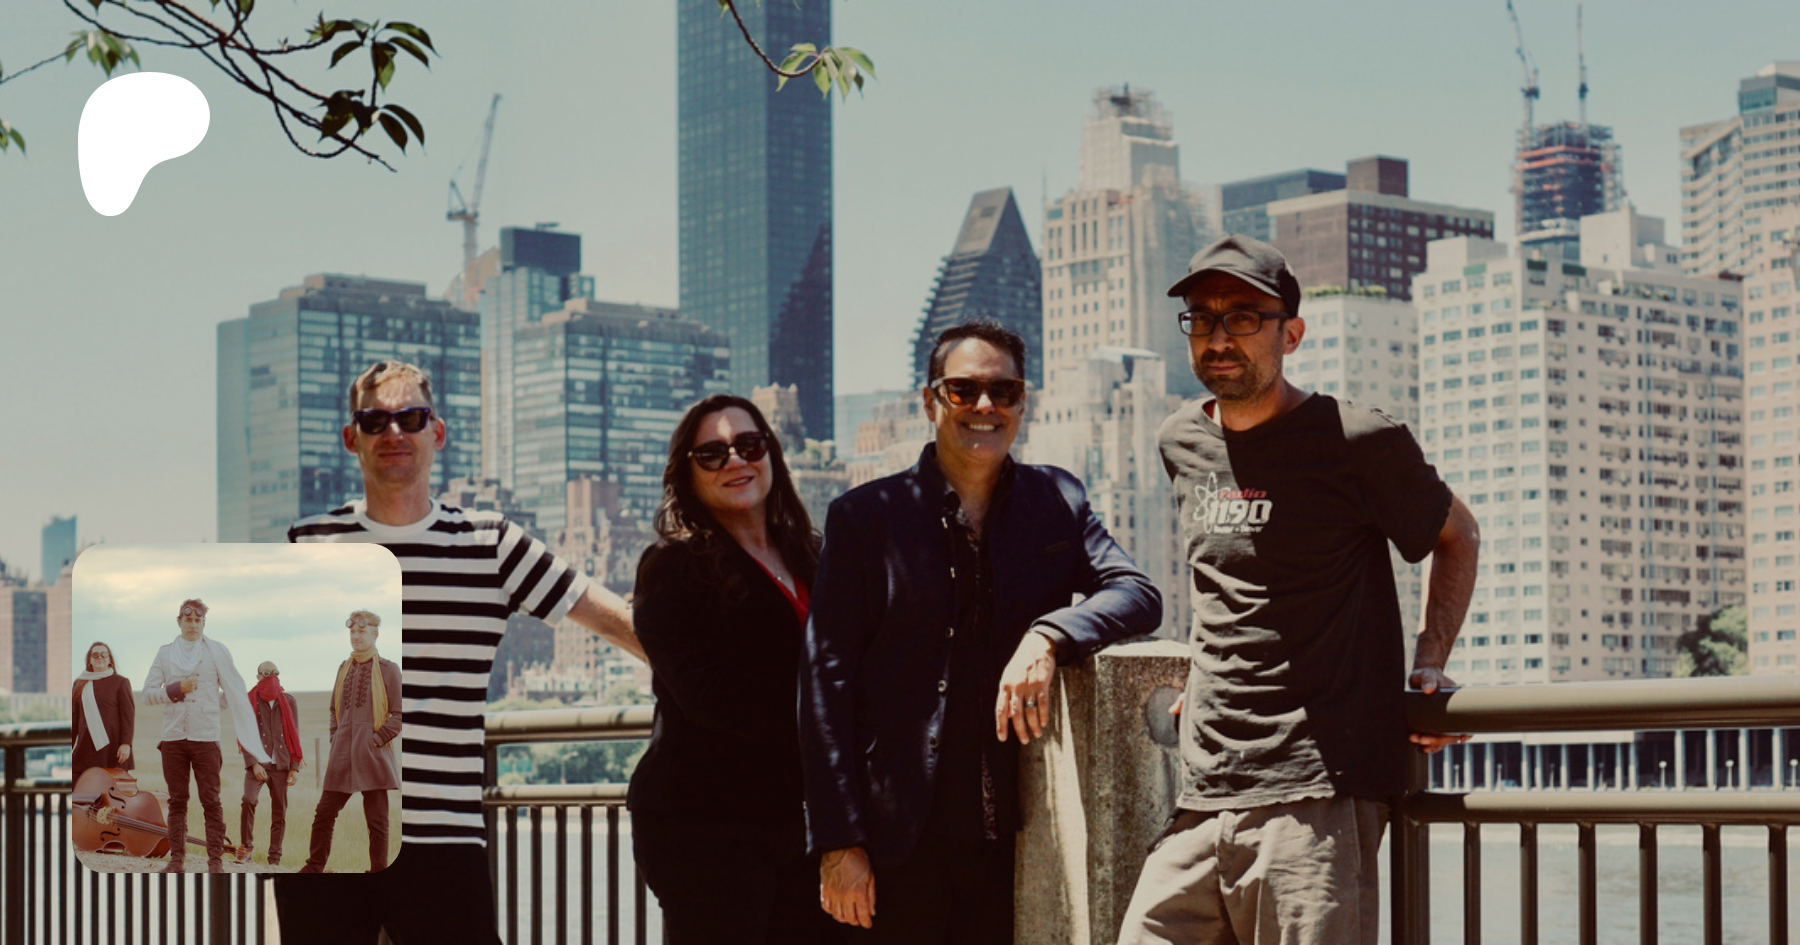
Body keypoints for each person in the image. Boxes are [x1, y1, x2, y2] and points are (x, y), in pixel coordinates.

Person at [1115, 234, 1480, 945]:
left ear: (1292, 334)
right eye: (1203, 318)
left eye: (1243, 317)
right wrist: (1206, 667)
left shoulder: (1357, 439)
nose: (1220, 337)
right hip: (1203, 791)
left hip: (1314, 795)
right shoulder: (1180, 440)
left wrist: (1430, 661)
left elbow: (1457, 533)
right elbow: (1224, 578)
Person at [802, 321, 1163, 943]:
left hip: (1016, 831)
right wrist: (839, 842)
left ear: (1024, 402)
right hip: (896, 838)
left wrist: (1049, 635)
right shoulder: (863, 519)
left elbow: (1137, 593)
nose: (985, 406)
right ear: (930, 401)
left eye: (1005, 391)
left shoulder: (1058, 499)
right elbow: (823, 687)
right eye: (963, 390)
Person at [275, 359, 644, 942]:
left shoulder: (491, 543)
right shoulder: (310, 543)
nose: (393, 432)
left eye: (411, 418)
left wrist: (724, 690)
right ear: (351, 438)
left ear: (437, 432)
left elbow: (616, 621)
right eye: (374, 421)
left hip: (445, 840)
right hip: (330, 840)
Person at [627, 394, 846, 945]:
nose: (735, 461)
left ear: (771, 454)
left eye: (749, 445)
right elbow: (707, 693)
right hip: (703, 822)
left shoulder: (814, 557)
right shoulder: (673, 567)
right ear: (687, 474)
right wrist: (830, 717)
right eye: (712, 454)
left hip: (797, 820)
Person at [141, 598, 274, 872]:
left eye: (197, 620)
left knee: (211, 802)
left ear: (203, 622)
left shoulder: (217, 652)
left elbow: (234, 691)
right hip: (173, 739)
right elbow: (147, 695)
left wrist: (212, 707)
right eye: (187, 619)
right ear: (179, 622)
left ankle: (215, 863)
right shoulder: (165, 654)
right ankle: (177, 861)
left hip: (206, 739)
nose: (193, 624)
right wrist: (176, 689)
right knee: (177, 802)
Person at [299, 610, 401, 873]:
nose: (355, 636)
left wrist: (375, 739)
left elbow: (399, 714)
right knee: (324, 813)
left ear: (375, 634)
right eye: (352, 632)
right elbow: (334, 710)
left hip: (373, 754)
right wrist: (336, 736)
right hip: (343, 752)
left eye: (361, 631)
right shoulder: (343, 668)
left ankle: (378, 871)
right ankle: (314, 867)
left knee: (377, 821)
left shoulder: (388, 669)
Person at [237, 660, 302, 867]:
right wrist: (253, 764)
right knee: (248, 800)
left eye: (275, 672)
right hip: (258, 763)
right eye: (266, 672)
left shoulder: (288, 701)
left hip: (281, 765)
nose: (271, 676)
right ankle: (245, 850)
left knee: (279, 812)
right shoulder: (249, 700)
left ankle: (274, 859)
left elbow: (294, 735)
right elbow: (245, 735)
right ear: (258, 676)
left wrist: (294, 767)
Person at [72, 641, 135, 777]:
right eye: (95, 655)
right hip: (85, 748)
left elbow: (128, 716)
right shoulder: (79, 683)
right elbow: (74, 720)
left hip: (113, 749)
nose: (100, 657)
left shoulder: (120, 682)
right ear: (89, 661)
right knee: (79, 788)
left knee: (110, 788)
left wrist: (126, 744)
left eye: (104, 654)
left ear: (109, 659)